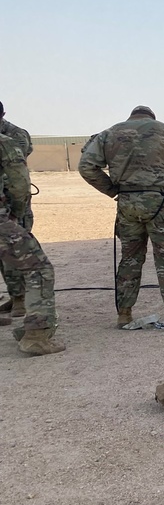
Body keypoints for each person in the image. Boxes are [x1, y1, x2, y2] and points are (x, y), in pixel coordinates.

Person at [78, 106, 164, 330]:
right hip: (158, 202)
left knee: (130, 258)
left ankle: (125, 314)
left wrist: (112, 190)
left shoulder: (109, 133)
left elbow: (86, 166)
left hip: (127, 204)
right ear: (151, 117)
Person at [0, 131, 64, 355]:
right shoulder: (5, 142)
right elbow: (19, 184)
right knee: (38, 269)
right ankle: (36, 337)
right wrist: (15, 216)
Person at [0, 101, 35, 319]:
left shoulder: (14, 136)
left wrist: (18, 209)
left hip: (10, 202)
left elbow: (18, 173)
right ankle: (15, 297)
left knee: (12, 252)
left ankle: (20, 299)